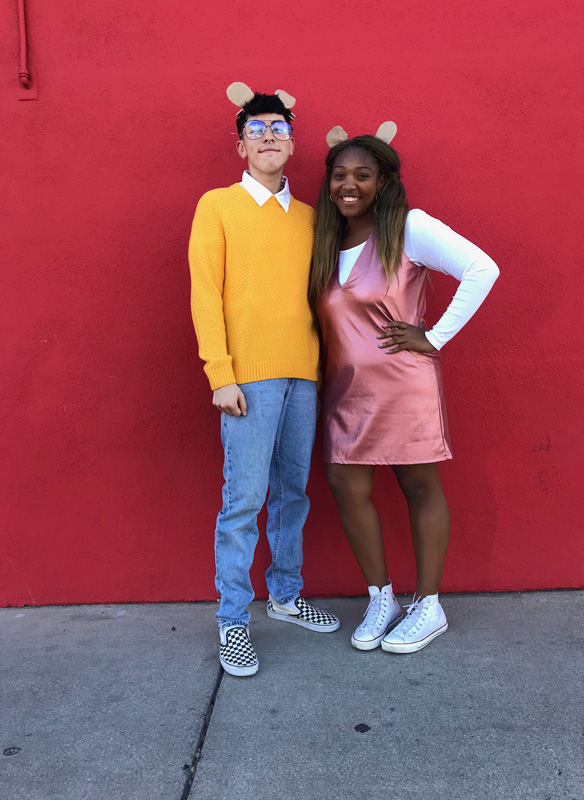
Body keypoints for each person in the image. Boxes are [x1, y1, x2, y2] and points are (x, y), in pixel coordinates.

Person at [309, 129, 499, 654]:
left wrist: (433, 336)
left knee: (419, 488)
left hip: (403, 386)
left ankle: (429, 605)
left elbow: (482, 268)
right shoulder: (327, 238)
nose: (349, 185)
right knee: (347, 487)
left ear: (384, 182)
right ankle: (381, 597)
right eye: (340, 175)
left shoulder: (409, 227)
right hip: (346, 391)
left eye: (362, 175)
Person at [188, 84, 340, 678]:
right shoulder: (217, 206)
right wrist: (219, 374)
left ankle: (284, 593)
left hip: (302, 376)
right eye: (258, 130)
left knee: (294, 494)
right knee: (244, 500)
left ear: (293, 142)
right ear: (240, 145)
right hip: (246, 382)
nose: (269, 137)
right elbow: (206, 294)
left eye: (278, 128)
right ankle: (233, 623)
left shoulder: (309, 218)